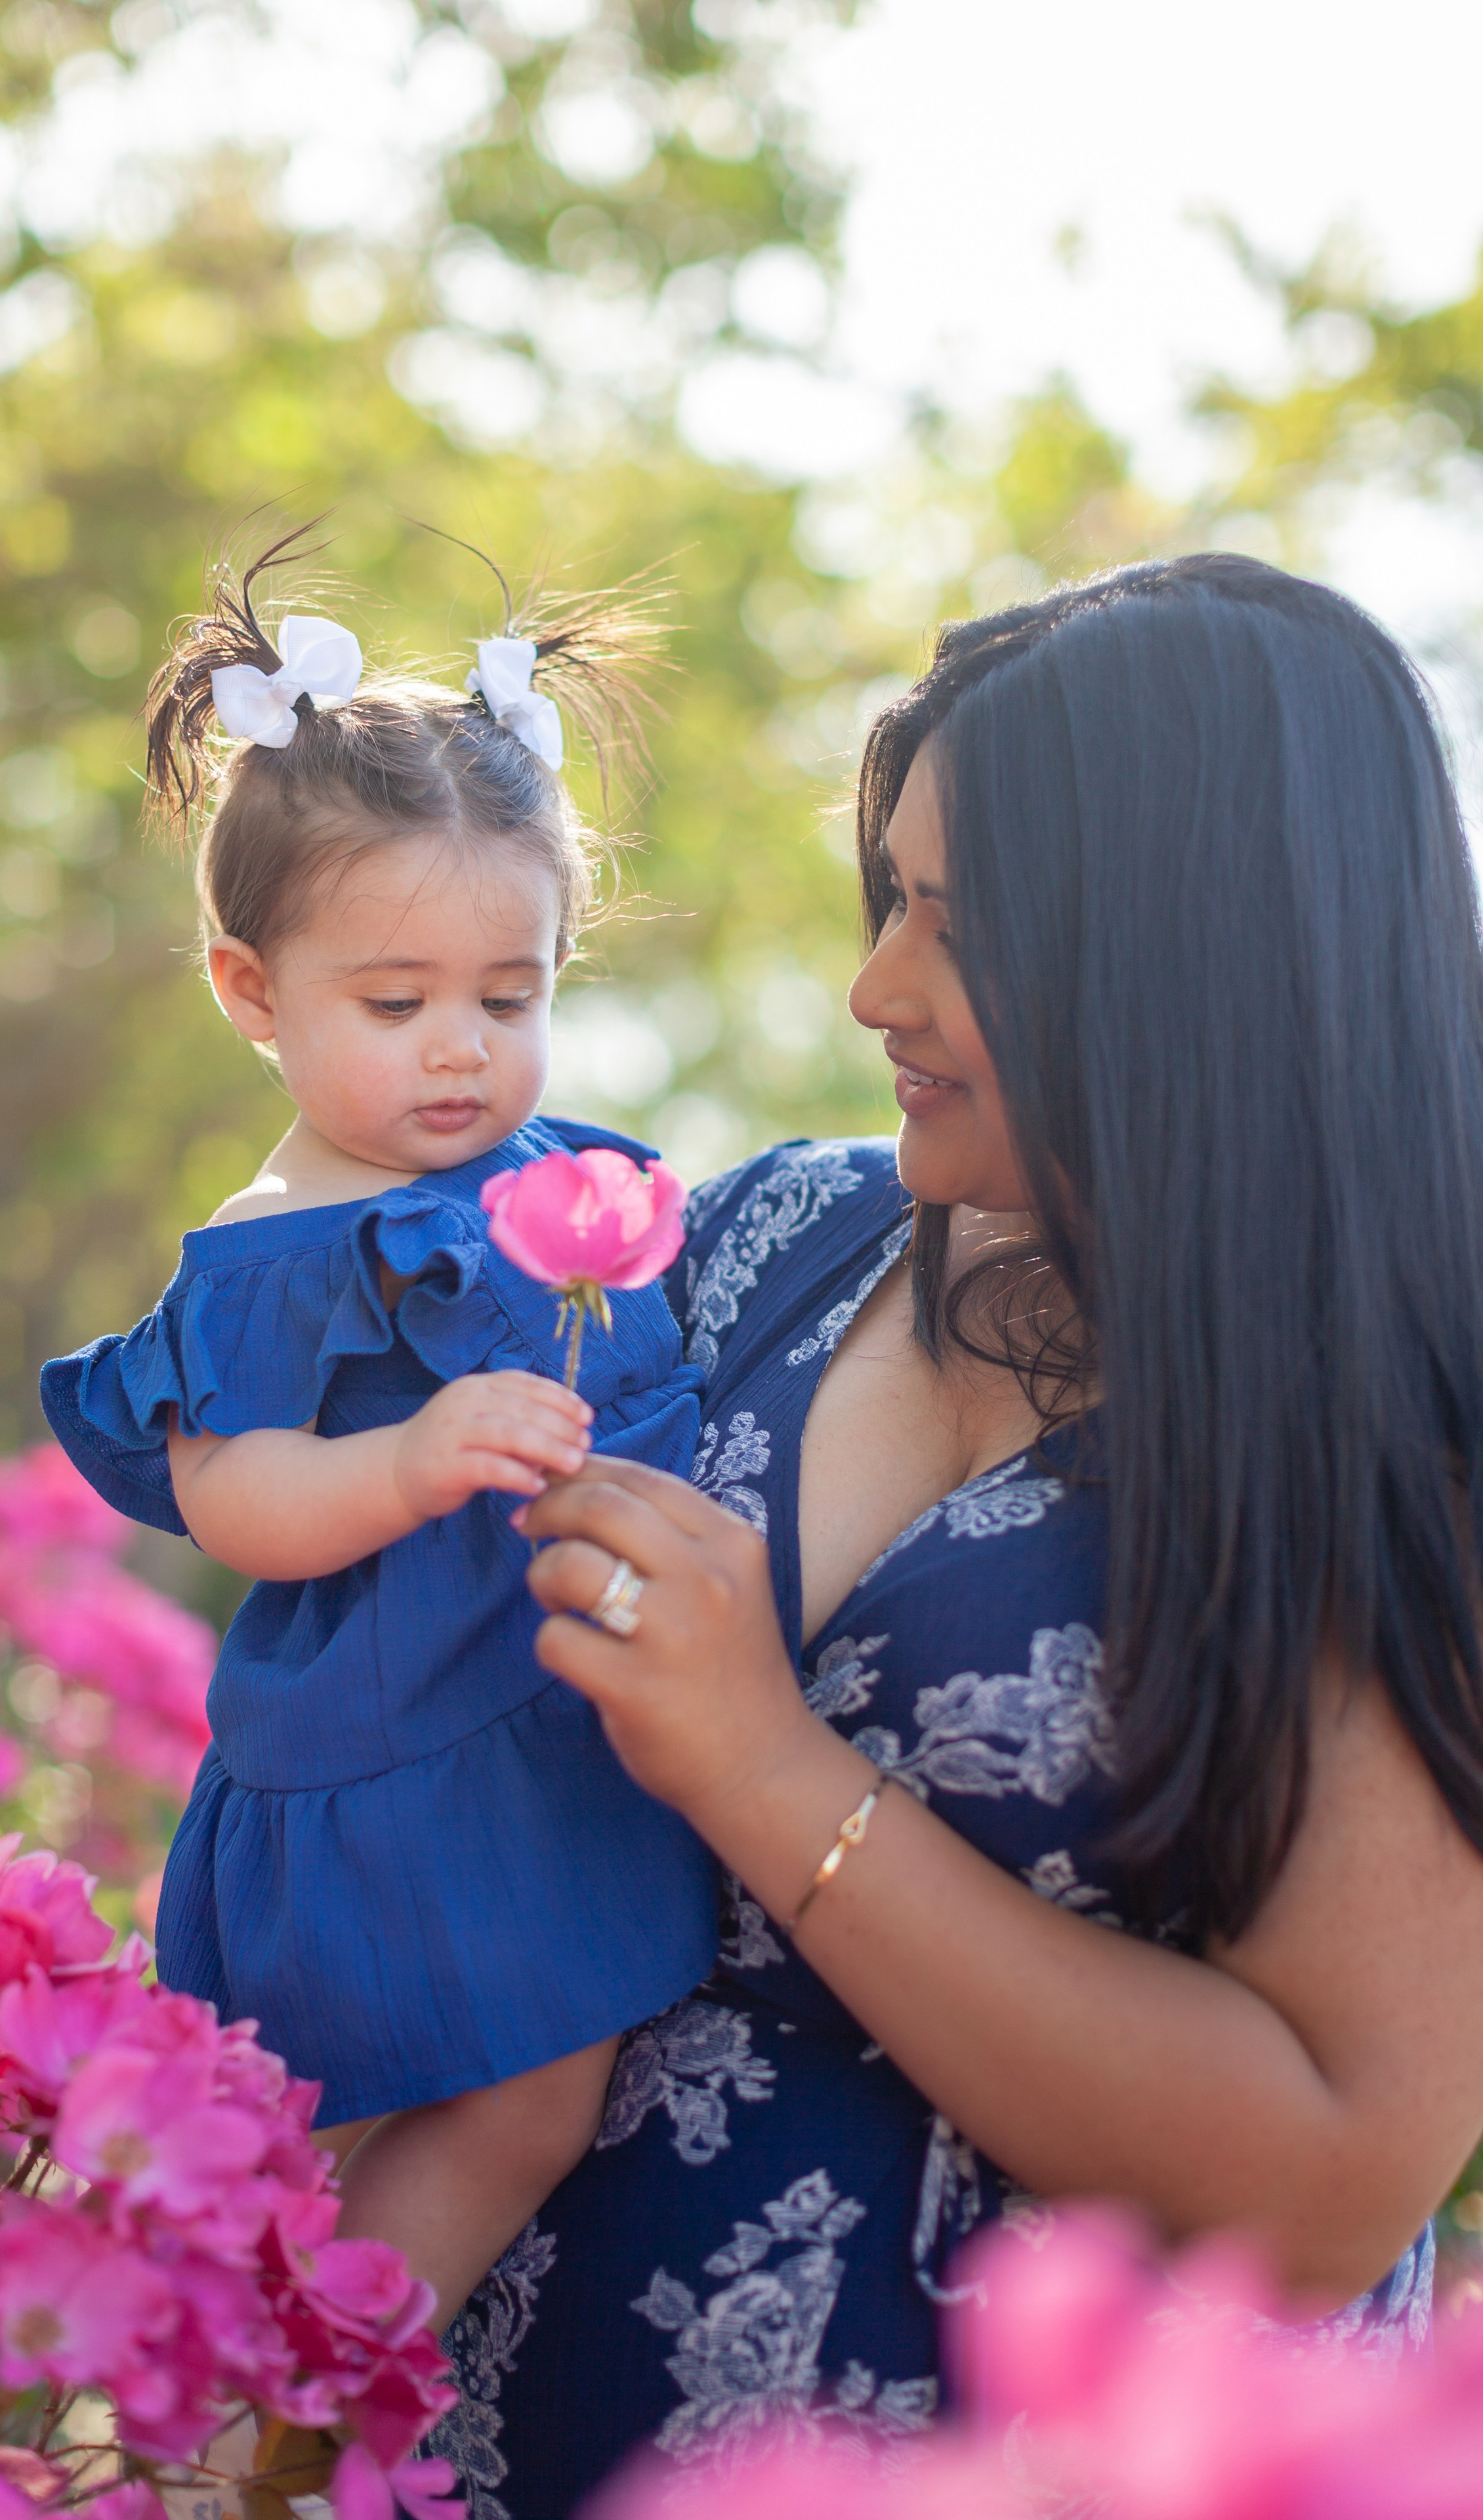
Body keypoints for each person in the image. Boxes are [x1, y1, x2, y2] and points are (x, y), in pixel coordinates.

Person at [431, 554, 1483, 2517]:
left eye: (954, 925)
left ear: (1181, 961)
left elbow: (1336, 2175)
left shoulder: (1398, 1425)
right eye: (890, 897)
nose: (872, 987)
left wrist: (765, 1767)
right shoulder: (759, 1241)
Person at [39, 531, 717, 2326]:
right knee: (392, 2098)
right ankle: (287, 2389)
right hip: (390, 1752)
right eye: (396, 1002)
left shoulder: (557, 1174)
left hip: (533, 1728)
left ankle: (315, 2368)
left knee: (545, 2083)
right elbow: (233, 1492)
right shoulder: (275, 1248)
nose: (461, 1053)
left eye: (513, 997)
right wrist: (411, 1462)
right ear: (251, 992)